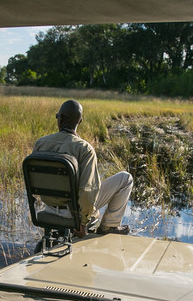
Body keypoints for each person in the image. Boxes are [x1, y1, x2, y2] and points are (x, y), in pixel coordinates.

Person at [34, 99, 133, 236]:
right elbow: (87, 191)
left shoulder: (40, 143)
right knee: (125, 178)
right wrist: (83, 222)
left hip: (48, 209)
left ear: (60, 119)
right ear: (79, 122)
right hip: (73, 213)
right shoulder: (85, 149)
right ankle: (109, 226)